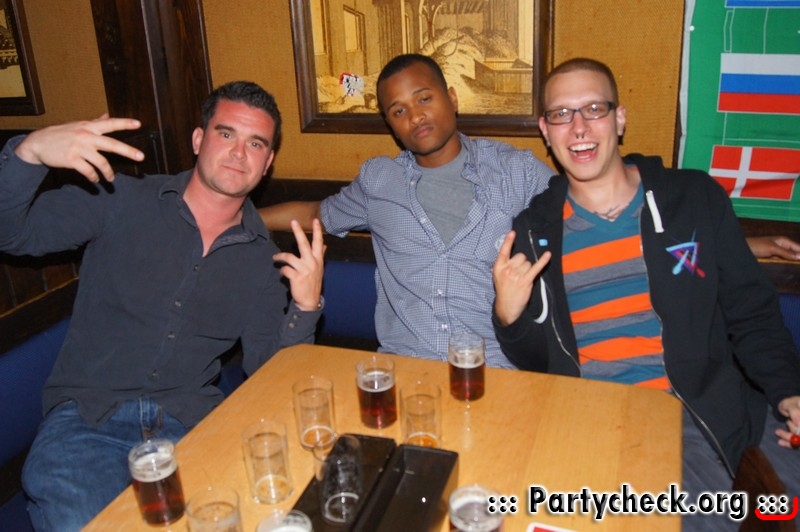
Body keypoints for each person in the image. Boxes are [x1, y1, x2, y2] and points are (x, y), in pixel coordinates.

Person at [0, 81, 325, 531]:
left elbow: (271, 373)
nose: (239, 153)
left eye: (256, 143)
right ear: (198, 139)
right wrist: (30, 152)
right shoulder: (120, 200)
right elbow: (12, 232)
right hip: (87, 423)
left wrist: (305, 305)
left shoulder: (262, 259)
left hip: (191, 429)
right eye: (226, 134)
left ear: (267, 162)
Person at [492, 58, 800, 529]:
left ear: (619, 118)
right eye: (561, 114)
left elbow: (752, 313)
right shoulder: (534, 230)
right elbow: (540, 363)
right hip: (594, 420)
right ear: (545, 131)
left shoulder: (692, 198)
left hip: (695, 411)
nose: (578, 127)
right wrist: (509, 316)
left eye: (594, 108)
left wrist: (788, 392)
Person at [261, 53, 554, 368]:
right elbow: (314, 214)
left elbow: (577, 210)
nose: (415, 117)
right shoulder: (379, 182)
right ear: (391, 125)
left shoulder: (515, 172)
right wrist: (238, 217)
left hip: (495, 367)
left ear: (452, 98)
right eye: (399, 111)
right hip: (406, 368)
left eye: (424, 99)